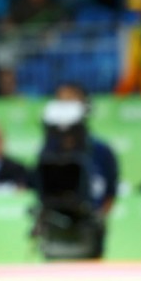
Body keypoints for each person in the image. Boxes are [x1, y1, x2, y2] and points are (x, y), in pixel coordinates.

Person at [50, 83, 119, 258]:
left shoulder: (101, 151)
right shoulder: (49, 151)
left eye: (71, 101)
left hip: (89, 234)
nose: (66, 107)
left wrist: (94, 221)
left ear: (84, 106)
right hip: (54, 233)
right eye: (61, 101)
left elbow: (110, 193)